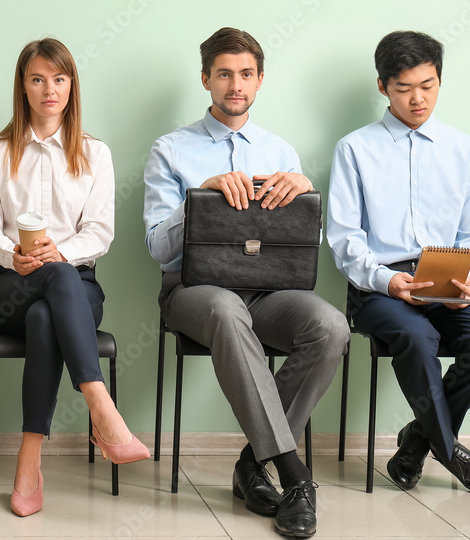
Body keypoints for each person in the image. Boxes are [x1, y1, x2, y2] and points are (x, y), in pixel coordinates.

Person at [143, 27, 349, 538]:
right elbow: (156, 248)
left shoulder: (281, 152)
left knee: (331, 326)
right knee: (225, 310)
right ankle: (294, 473)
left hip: (269, 293)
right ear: (206, 79)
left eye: (246, 74)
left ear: (260, 80)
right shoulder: (171, 150)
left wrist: (305, 198)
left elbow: (300, 249)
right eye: (225, 74)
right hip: (194, 292)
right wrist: (200, 198)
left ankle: (252, 460)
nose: (236, 85)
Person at [0, 37, 149, 517]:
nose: (49, 89)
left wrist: (59, 253)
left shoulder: (94, 153)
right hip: (10, 286)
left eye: (59, 78)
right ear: (23, 87)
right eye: (38, 79)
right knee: (50, 285)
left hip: (76, 288)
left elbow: (100, 233)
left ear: (71, 86)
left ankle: (29, 461)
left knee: (51, 308)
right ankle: (102, 408)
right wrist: (13, 254)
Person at [327, 30, 470, 495]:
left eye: (427, 86)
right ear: (383, 86)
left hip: (448, 274)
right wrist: (389, 282)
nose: (417, 99)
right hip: (379, 286)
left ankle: (417, 442)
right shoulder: (354, 149)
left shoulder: (463, 150)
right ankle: (454, 456)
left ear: (440, 80)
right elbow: (345, 239)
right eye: (404, 88)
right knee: (415, 335)